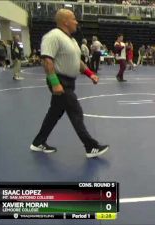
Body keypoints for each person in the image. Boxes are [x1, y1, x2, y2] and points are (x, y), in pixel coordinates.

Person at [30, 9, 109, 158]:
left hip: (69, 82)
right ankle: (91, 147)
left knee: (54, 113)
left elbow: (76, 62)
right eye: (74, 19)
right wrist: (55, 83)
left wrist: (90, 74)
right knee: (75, 111)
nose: (76, 22)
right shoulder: (53, 36)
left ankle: (37, 142)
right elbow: (47, 60)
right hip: (60, 81)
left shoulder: (72, 40)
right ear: (65, 21)